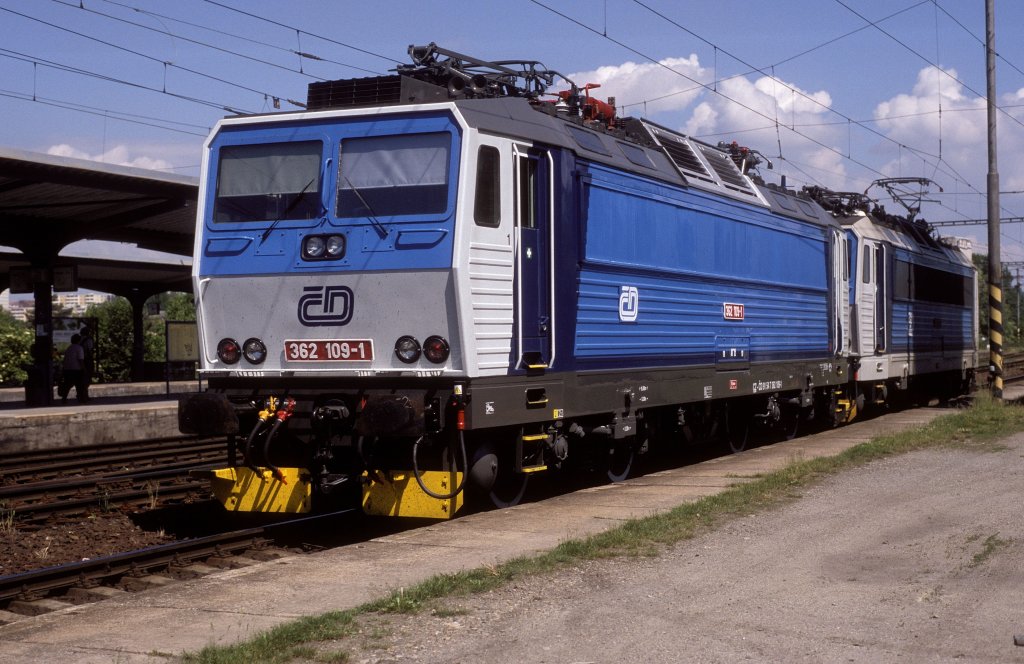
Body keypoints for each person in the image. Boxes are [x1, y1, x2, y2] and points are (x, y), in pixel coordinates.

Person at [58, 334, 87, 403]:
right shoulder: (79, 348)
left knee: (67, 385)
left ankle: (64, 398)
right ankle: (81, 399)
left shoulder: (69, 348)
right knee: (79, 385)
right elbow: (80, 360)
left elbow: (65, 360)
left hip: (68, 369)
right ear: (79, 340)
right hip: (76, 369)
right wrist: (84, 369)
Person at [79, 326, 94, 401]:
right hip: (87, 360)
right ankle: (85, 395)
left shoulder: (79, 340)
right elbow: (90, 350)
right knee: (87, 377)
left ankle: (81, 394)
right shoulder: (89, 340)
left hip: (79, 360)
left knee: (82, 378)